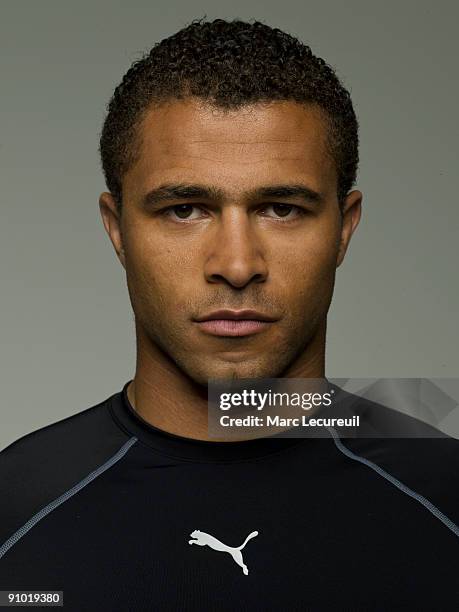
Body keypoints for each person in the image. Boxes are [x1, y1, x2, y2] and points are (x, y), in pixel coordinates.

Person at [0, 18, 457, 611]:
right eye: (185, 209)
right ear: (118, 231)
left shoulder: (445, 497)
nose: (237, 265)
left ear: (344, 229)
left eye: (281, 208)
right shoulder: (15, 509)